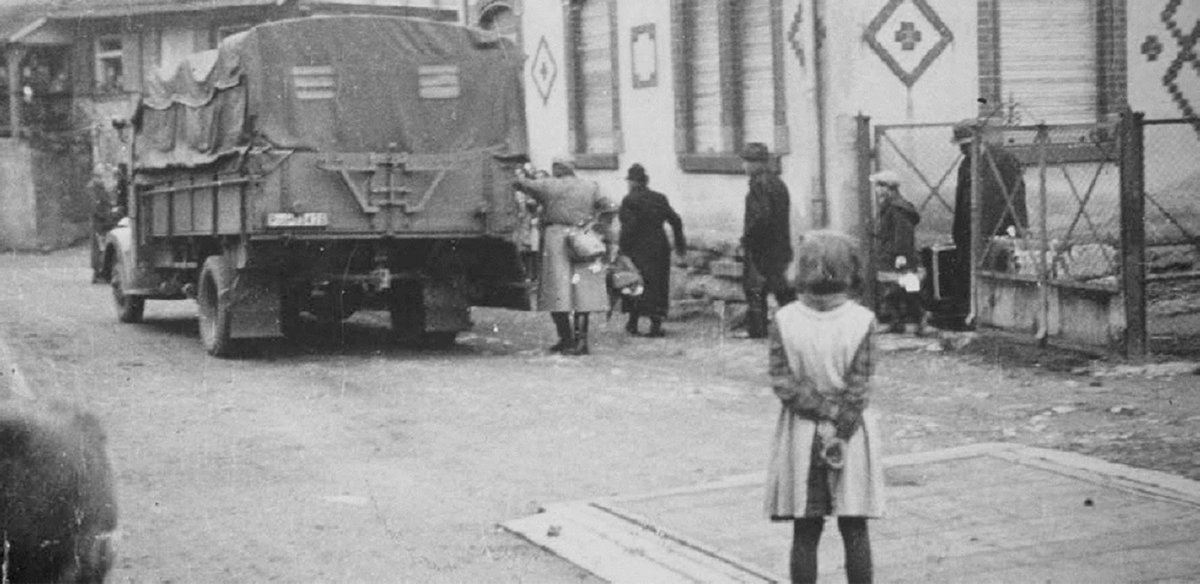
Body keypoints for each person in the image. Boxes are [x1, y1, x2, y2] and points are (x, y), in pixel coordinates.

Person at [764, 230, 884, 584]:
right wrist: (840, 422)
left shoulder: (784, 320)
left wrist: (820, 414)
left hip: (801, 431)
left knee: (805, 530)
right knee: (855, 526)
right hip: (851, 433)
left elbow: (783, 382)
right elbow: (860, 386)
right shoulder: (862, 320)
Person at [513, 156, 617, 355]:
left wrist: (518, 174)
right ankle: (581, 341)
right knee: (584, 292)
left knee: (556, 292)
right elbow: (611, 206)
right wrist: (598, 227)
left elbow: (522, 184)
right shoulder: (591, 186)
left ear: (557, 169)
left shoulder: (549, 185)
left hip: (556, 238)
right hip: (584, 237)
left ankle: (566, 338)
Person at [951, 119, 1028, 294]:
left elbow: (1017, 194)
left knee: (997, 275)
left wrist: (1019, 226)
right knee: (969, 276)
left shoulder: (1003, 160)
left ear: (978, 140)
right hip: (969, 232)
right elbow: (960, 198)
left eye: (966, 145)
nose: (962, 150)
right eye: (961, 146)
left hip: (997, 229)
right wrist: (957, 231)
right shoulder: (965, 164)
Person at [617, 163, 686, 337]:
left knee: (636, 282)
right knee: (658, 284)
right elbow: (676, 220)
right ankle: (655, 326)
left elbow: (628, 227)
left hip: (638, 247)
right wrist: (679, 244)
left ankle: (633, 323)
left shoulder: (630, 200)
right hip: (659, 246)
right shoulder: (659, 198)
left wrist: (622, 248)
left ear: (632, 182)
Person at [740, 142, 797, 339]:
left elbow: (761, 217)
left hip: (762, 248)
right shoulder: (777, 183)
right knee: (781, 289)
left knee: (755, 289)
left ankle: (757, 330)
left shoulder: (759, 184)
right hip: (779, 246)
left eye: (747, 162)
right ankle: (799, 324)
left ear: (757, 164)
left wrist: (748, 239)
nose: (744, 167)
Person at [871, 170, 925, 334]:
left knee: (906, 289)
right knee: (898, 289)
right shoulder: (893, 207)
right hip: (893, 255)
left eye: (880, 186)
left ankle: (916, 321)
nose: (877, 190)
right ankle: (902, 321)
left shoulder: (897, 209)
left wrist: (900, 255)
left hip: (897, 256)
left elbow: (902, 234)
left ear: (889, 188)